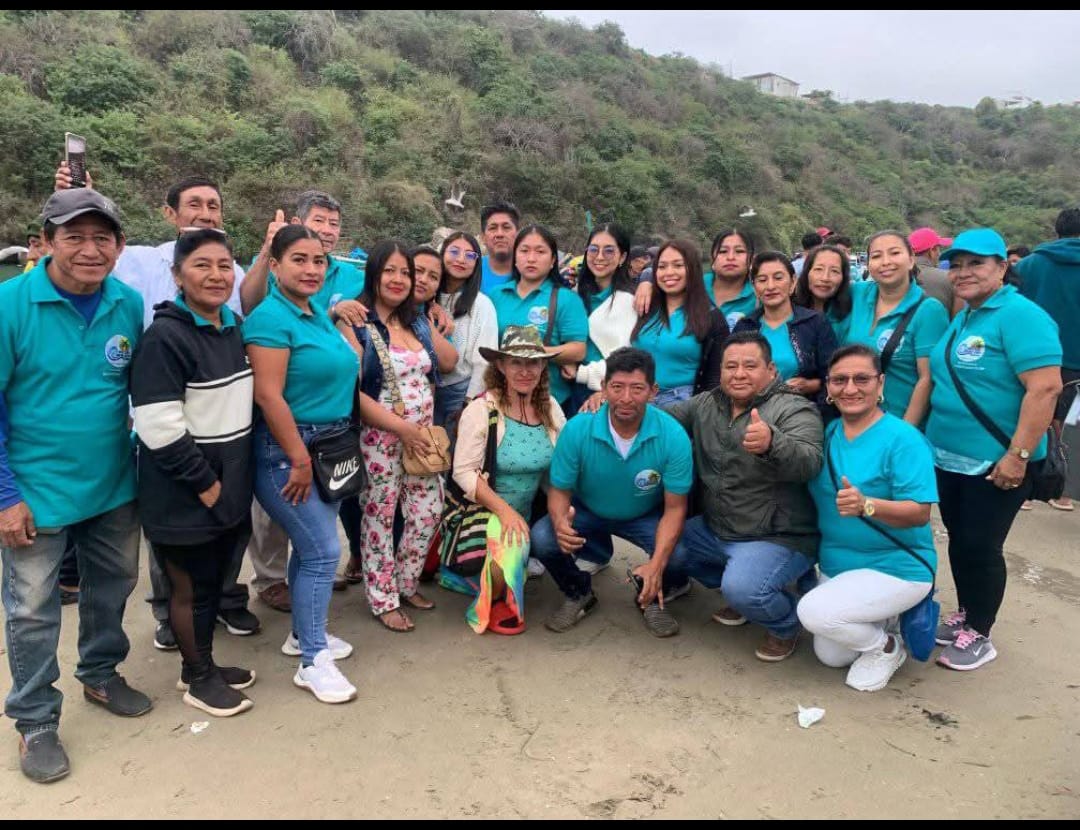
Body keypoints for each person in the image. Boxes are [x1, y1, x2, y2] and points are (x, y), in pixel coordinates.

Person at [54, 163, 259, 642]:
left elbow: (247, 308)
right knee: (174, 530)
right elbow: (88, 256)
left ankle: (222, 602)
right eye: (194, 204)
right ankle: (171, 615)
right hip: (157, 408)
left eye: (213, 205)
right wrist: (81, 196)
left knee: (225, 530)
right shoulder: (143, 261)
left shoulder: (232, 270)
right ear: (170, 214)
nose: (205, 213)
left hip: (220, 417)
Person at [1, 189, 150, 783]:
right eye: (74, 237)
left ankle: (100, 672)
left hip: (113, 482)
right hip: (35, 491)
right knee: (33, 610)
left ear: (119, 245)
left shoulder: (127, 303)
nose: (90, 250)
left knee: (113, 585)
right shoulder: (11, 305)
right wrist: (6, 496)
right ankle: (35, 718)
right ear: (45, 242)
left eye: (102, 238)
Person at [130, 229, 256, 717]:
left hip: (225, 484)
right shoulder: (165, 338)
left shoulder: (231, 329)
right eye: (202, 265)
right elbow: (158, 426)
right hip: (183, 490)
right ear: (177, 275)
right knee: (189, 589)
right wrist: (205, 485)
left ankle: (199, 663)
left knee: (211, 584)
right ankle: (199, 679)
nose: (216, 275)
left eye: (224, 265)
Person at [927, 228, 1062, 670]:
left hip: (995, 462)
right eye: (956, 265)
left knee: (981, 546)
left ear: (1002, 267)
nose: (963, 272)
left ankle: (980, 633)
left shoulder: (1021, 315)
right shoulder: (966, 315)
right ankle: (966, 613)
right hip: (949, 458)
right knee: (961, 541)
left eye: (976, 263)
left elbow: (1045, 389)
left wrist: (1017, 455)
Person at [244, 225, 359, 703]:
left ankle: (301, 634)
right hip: (289, 451)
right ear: (274, 266)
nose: (312, 269)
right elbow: (269, 395)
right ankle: (313, 659)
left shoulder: (315, 314)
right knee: (323, 552)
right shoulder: (271, 319)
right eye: (299, 259)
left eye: (318, 261)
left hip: (330, 447)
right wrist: (297, 458)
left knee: (310, 548)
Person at [664, 332, 824, 662]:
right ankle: (749, 593)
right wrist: (619, 405)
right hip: (717, 528)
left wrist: (773, 443)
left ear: (771, 370)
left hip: (777, 535)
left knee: (744, 588)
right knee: (663, 544)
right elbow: (661, 421)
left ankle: (785, 623)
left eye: (750, 366)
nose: (738, 374)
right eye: (730, 366)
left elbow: (809, 462)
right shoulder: (707, 403)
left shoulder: (794, 409)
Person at [798, 345, 938, 691]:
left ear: (881, 383)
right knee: (832, 655)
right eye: (840, 380)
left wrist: (867, 506)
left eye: (862, 379)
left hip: (896, 566)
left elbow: (920, 513)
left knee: (814, 612)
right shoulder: (827, 434)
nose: (850, 388)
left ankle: (886, 647)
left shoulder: (904, 439)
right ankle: (884, 617)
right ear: (828, 387)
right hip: (838, 564)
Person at [530, 348, 693, 638]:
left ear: (653, 391)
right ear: (604, 387)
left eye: (637, 388)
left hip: (644, 514)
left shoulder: (673, 436)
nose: (626, 398)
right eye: (617, 387)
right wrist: (560, 521)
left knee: (678, 555)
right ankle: (578, 592)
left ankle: (652, 592)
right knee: (543, 538)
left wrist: (657, 564)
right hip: (588, 509)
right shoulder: (578, 429)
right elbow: (560, 490)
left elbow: (675, 508)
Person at [349, 241, 455, 632]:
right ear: (374, 273)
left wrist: (433, 316)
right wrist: (402, 428)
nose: (398, 279)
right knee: (379, 515)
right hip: (380, 438)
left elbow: (446, 364)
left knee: (429, 511)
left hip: (421, 437)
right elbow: (352, 392)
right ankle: (383, 598)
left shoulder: (416, 322)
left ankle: (406, 582)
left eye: (405, 273)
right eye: (389, 270)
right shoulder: (356, 322)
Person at [450, 326, 566, 633]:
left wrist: (564, 507)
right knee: (511, 554)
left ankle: (491, 571)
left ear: (543, 367)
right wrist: (505, 511)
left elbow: (558, 469)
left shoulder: (551, 408)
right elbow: (463, 471)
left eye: (533, 363)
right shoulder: (482, 409)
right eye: (516, 362)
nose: (525, 371)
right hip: (484, 510)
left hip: (526, 512)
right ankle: (476, 579)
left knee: (565, 525)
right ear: (501, 366)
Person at [845, 231, 949, 426]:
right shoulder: (857, 294)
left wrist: (904, 432)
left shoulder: (929, 310)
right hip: (853, 421)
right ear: (868, 264)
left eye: (894, 253)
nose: (885, 262)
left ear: (911, 260)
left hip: (898, 423)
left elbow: (927, 379)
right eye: (876, 256)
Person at [1014, 208, 1080, 511]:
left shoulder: (1030, 265)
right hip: (1076, 361)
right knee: (1070, 425)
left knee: (1031, 413)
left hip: (1032, 355)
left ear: (1057, 231)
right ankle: (1063, 491)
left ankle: (1024, 486)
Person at [488, 224, 588, 411]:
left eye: (540, 251)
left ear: (553, 260)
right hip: (502, 396)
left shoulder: (567, 299)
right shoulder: (496, 295)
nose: (531, 258)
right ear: (515, 258)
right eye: (524, 251)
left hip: (549, 400)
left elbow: (578, 349)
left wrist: (533, 352)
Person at [628, 239, 730, 406]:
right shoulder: (645, 306)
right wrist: (645, 279)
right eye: (662, 267)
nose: (669, 272)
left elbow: (716, 377)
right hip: (637, 398)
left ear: (693, 269)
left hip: (683, 403)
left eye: (678, 265)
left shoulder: (711, 317)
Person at [239, 190, 365, 320]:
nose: (327, 231)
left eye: (334, 224)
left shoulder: (352, 275)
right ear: (297, 224)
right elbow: (248, 307)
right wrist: (268, 249)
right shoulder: (268, 266)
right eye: (318, 220)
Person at [734, 252, 836, 402]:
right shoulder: (745, 327)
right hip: (752, 408)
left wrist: (809, 385)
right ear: (754, 287)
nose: (770, 286)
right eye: (762, 280)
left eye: (778, 278)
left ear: (793, 282)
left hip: (802, 409)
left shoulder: (815, 323)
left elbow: (834, 375)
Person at [565, 223, 638, 411]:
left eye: (609, 251)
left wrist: (580, 372)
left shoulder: (630, 301)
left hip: (606, 393)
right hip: (568, 388)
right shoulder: (575, 295)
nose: (599, 257)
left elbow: (625, 358)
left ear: (622, 257)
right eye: (593, 249)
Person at [434, 232, 499, 436]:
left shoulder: (481, 304)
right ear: (442, 254)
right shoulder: (426, 297)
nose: (461, 259)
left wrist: (469, 403)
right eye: (454, 251)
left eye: (470, 255)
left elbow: (484, 360)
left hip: (459, 392)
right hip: (423, 388)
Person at [633, 228, 758, 330]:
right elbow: (663, 273)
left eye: (739, 251)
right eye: (723, 251)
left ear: (752, 258)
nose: (730, 257)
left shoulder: (759, 296)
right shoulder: (694, 284)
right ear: (712, 257)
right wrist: (646, 282)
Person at [793, 243, 854, 343]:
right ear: (807, 272)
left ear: (843, 278)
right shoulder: (790, 310)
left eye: (834, 271)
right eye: (818, 269)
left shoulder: (850, 316)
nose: (825, 278)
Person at [907, 226, 961, 316]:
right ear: (932, 251)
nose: (939, 254)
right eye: (938, 249)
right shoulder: (950, 278)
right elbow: (959, 319)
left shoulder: (896, 277)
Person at [479, 201, 520, 295]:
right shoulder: (471, 270)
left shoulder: (531, 272)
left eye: (506, 227)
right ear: (483, 237)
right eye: (493, 228)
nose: (499, 234)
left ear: (518, 234)